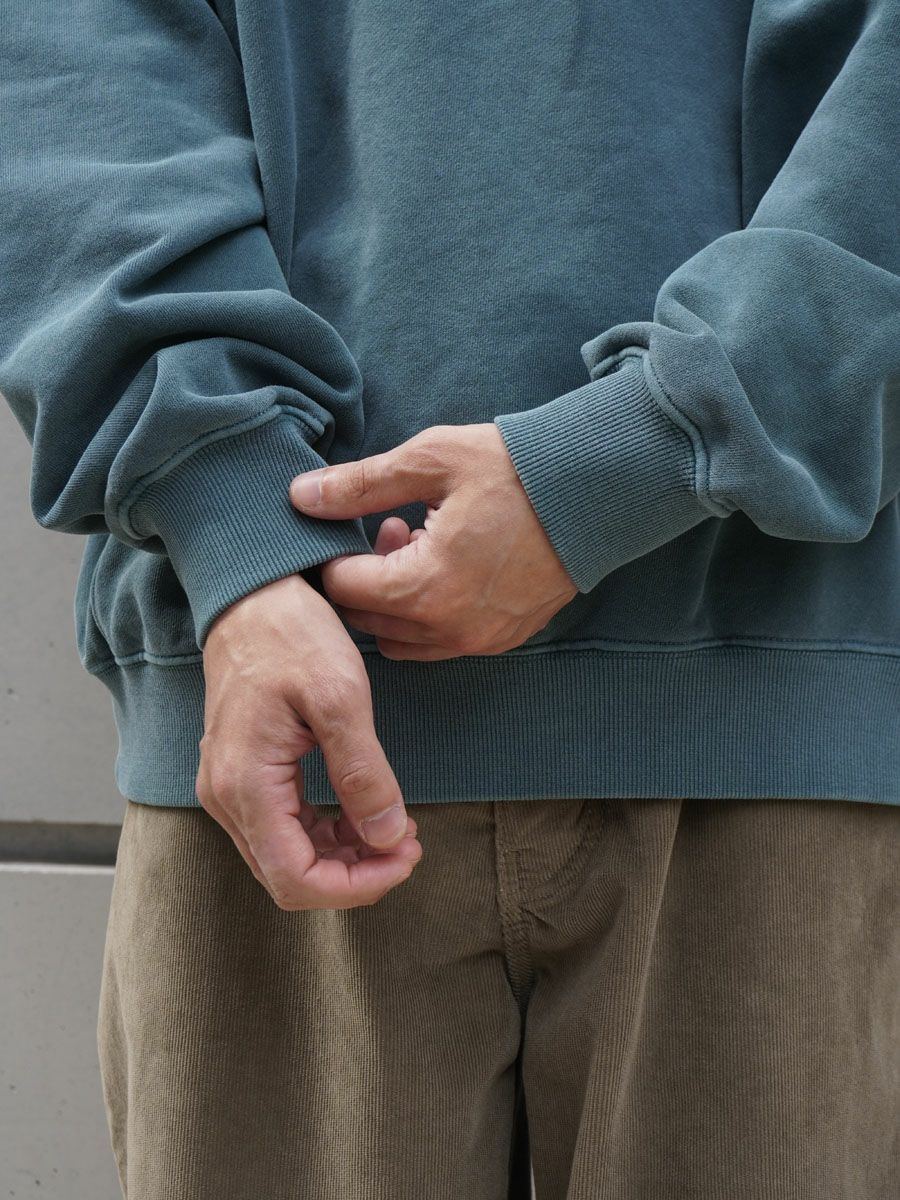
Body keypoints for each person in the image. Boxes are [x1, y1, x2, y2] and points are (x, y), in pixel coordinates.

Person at [2, 0, 899, 1195]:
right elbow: (68, 64)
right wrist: (230, 513)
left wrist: (633, 454)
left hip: (773, 722)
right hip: (287, 705)